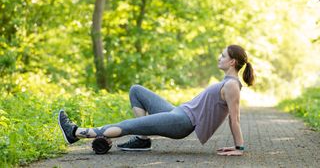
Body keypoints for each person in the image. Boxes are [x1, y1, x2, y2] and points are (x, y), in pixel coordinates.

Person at [58, 44, 254, 156]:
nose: (218, 58)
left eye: (222, 55)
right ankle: (143, 141)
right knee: (136, 91)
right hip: (177, 112)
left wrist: (239, 148)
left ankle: (76, 132)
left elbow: (234, 119)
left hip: (181, 122)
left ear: (232, 62)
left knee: (128, 125)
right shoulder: (228, 82)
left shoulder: (231, 86)